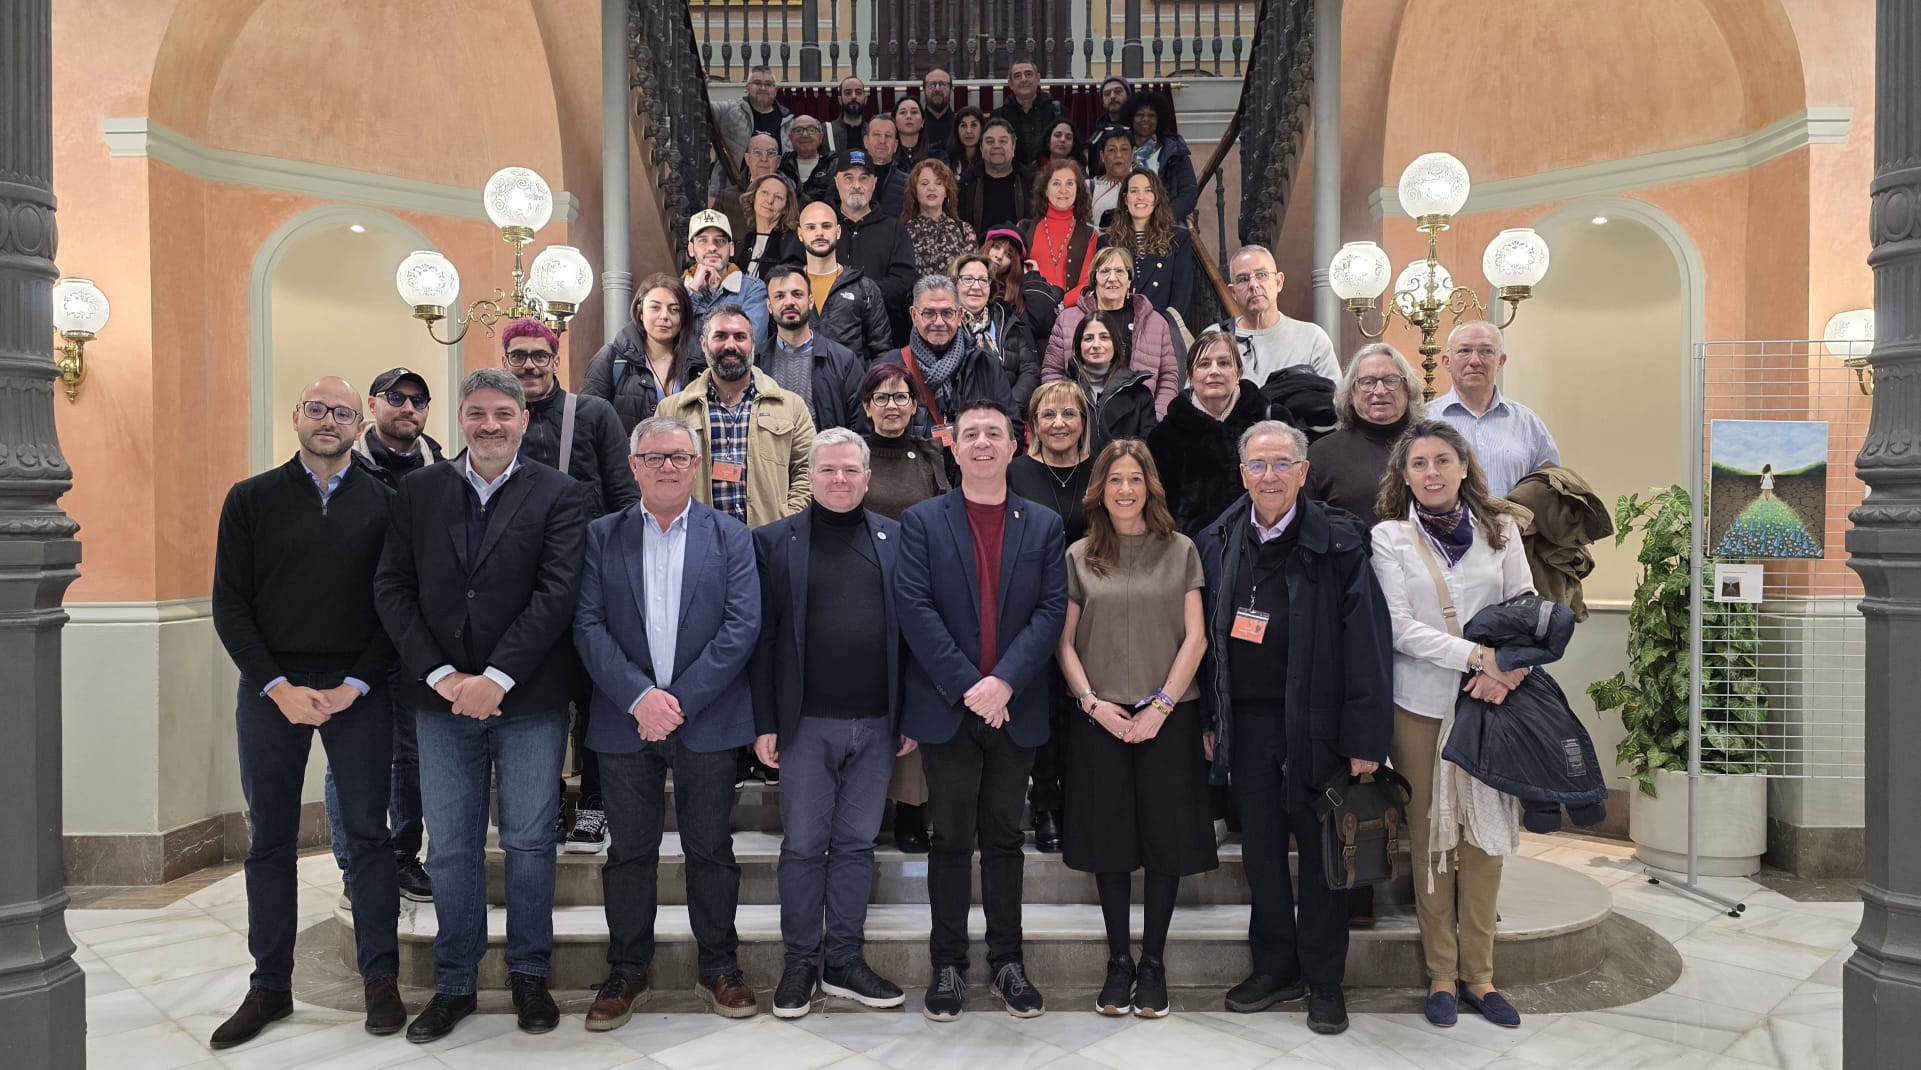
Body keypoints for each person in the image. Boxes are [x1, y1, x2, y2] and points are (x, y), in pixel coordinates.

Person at [373, 368, 588, 1043]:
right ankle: (455, 982)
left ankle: (529, 974)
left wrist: (496, 677)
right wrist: (443, 676)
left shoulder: (561, 493)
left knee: (529, 842)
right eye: (476, 413)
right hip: (439, 702)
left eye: (502, 413)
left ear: (523, 420)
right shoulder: (419, 491)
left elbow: (557, 593)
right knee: (451, 847)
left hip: (530, 700)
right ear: (460, 419)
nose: (489, 425)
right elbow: (392, 588)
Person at [210, 377, 403, 1049]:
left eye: (342, 412)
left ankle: (381, 979)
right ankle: (270, 985)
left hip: (358, 691)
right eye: (317, 409)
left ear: (359, 426)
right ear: (296, 416)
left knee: (369, 836)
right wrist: (276, 685)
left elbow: (394, 604)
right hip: (272, 691)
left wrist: (355, 684)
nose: (329, 420)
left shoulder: (386, 504)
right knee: (270, 838)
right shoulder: (250, 499)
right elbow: (230, 604)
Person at [1196, 420, 1394, 1036]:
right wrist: (1211, 718)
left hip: (1319, 728)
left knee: (1322, 859)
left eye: (1283, 463)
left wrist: (1366, 739)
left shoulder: (1340, 541)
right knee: (1260, 855)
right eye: (1258, 465)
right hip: (1249, 728)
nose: (1270, 475)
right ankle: (1275, 968)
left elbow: (1368, 644)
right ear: (1242, 474)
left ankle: (1324, 980)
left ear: (1305, 472)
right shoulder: (1217, 539)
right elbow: (1203, 644)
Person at [574, 414, 763, 1029]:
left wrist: (677, 701)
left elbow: (742, 626)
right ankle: (627, 970)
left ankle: (721, 967)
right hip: (624, 721)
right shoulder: (600, 536)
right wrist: (640, 699)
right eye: (654, 457)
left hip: (707, 720)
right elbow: (587, 625)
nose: (667, 467)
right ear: (633, 466)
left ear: (696, 465)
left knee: (712, 849)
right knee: (629, 853)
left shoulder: (730, 536)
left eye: (679, 456)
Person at [896, 400, 1069, 1021]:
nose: (982, 443)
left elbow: (1051, 610)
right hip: (949, 707)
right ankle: (947, 964)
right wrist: (972, 686)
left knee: (1004, 840)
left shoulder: (1043, 524)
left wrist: (1004, 684)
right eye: (970, 433)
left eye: (994, 433)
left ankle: (1006, 963)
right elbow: (915, 607)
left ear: (1015, 445)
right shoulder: (922, 521)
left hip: (1015, 710)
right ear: (953, 446)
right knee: (949, 840)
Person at [1369, 419, 1535, 1031]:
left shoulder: (1502, 529)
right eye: (1419, 463)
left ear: (1464, 467)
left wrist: (1506, 673)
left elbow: (1525, 608)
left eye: (1443, 460)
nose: (1432, 472)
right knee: (1432, 837)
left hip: (1493, 704)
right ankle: (1441, 973)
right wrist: (1475, 658)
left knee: (1485, 840)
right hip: (1420, 706)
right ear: (1404, 476)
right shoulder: (1389, 537)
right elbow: (1397, 627)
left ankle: (1481, 976)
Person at [752, 428, 915, 1018]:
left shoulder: (897, 539)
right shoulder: (774, 542)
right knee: (802, 846)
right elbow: (763, 640)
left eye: (850, 470)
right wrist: (765, 721)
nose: (840, 479)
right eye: (828, 470)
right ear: (810, 477)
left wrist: (908, 714)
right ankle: (800, 964)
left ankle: (843, 961)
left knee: (855, 846)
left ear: (868, 478)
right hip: (804, 725)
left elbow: (912, 635)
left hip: (877, 724)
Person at [1054, 440, 1213, 1018]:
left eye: (1135, 479)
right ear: (1101, 489)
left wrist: (1161, 707)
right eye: (1115, 480)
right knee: (1110, 843)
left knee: (1166, 840)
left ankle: (1153, 963)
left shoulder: (1182, 549)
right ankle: (1119, 962)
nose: (1125, 490)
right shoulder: (1078, 555)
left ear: (1151, 487)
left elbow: (1196, 638)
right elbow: (1063, 642)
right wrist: (1091, 704)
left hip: (1167, 714)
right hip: (1099, 719)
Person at [505, 316, 637, 851]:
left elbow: (625, 497)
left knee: (594, 695)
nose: (530, 365)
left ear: (555, 359)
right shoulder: (498, 421)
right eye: (518, 356)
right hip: (519, 588)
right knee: (535, 698)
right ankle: (548, 799)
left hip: (588, 580)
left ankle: (595, 802)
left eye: (539, 355)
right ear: (506, 361)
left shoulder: (594, 414)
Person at [330, 367, 443, 907]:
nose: (407, 408)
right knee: (350, 760)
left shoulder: (442, 464)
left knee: (413, 757)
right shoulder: (342, 464)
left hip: (416, 638)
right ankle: (355, 867)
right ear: (372, 406)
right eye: (395, 397)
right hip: (353, 637)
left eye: (418, 400)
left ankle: (401, 857)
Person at [854, 364, 950, 851]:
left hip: (916, 595)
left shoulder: (930, 455)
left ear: (914, 406)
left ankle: (912, 811)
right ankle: (867, 810)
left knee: (912, 702)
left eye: (900, 397)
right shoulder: (852, 454)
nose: (891, 406)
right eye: (881, 398)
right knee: (868, 704)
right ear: (866, 407)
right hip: (859, 596)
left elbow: (945, 521)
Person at [1005, 379, 1093, 855]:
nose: (1059, 423)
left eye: (1069, 413)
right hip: (1033, 607)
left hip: (1093, 607)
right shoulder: (1015, 473)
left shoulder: (1101, 470)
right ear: (1033, 425)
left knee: (1082, 705)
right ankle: (1045, 805)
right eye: (1049, 415)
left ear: (1084, 421)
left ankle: (1082, 800)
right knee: (1043, 707)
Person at [656, 305, 815, 529]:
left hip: (767, 540)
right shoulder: (671, 410)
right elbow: (657, 475)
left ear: (753, 344)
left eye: (740, 337)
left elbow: (809, 470)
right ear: (703, 344)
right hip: (698, 539)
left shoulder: (791, 406)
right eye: (720, 336)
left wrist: (785, 522)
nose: (730, 345)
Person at [1149, 332, 1270, 538]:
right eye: (1204, 364)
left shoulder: (1269, 424)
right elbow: (1156, 510)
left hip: (1262, 547)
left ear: (1238, 372)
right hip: (1193, 551)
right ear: (1190, 375)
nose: (1214, 371)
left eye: (1224, 363)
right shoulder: (1164, 437)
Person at [880, 275, 1020, 450]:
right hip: (911, 465)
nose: (939, 322)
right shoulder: (890, 367)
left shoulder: (985, 363)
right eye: (929, 313)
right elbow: (872, 433)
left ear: (959, 315)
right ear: (914, 316)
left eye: (947, 313)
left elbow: (1012, 430)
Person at [1043, 247, 1181, 417]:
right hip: (1082, 420)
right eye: (1105, 271)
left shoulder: (1156, 323)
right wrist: (1066, 414)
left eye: (1120, 271)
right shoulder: (1067, 320)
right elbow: (1052, 371)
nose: (1112, 278)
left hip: (1140, 420)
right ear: (1094, 279)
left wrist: (1156, 418)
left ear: (1129, 280)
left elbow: (1168, 377)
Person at [1428, 321, 1560, 498]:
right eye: (1464, 351)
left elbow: (1551, 487)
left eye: (1486, 351)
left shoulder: (1527, 424)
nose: (1475, 361)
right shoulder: (1425, 419)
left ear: (1501, 361)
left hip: (1514, 517)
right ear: (1447, 362)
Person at [1307, 343, 1425, 518]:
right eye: (1368, 382)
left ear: (1408, 389)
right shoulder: (1322, 455)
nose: (1380, 391)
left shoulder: (1433, 446)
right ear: (1351, 393)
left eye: (1391, 380)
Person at [583, 274, 706, 438]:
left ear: (683, 317)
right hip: (627, 454)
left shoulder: (700, 364)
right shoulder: (611, 358)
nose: (664, 316)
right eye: (655, 307)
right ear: (640, 312)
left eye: (674, 309)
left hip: (685, 454)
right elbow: (587, 424)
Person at [762, 263, 865, 432]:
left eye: (797, 294)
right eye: (779, 296)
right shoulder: (756, 362)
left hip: (829, 449)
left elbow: (861, 425)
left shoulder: (843, 361)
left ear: (810, 301)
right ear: (769, 306)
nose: (789, 302)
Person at [834, 151, 919, 345]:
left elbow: (903, 280)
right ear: (836, 182)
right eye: (848, 178)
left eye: (864, 178)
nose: (857, 185)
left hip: (883, 337)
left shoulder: (894, 229)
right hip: (829, 336)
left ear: (874, 183)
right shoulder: (822, 226)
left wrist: (861, 296)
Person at [1223, 245, 1339, 385]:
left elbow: (1335, 396)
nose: (1253, 285)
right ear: (1233, 293)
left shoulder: (1312, 339)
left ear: (1278, 282)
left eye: (1262, 275)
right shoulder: (1215, 338)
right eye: (1243, 279)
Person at [796, 201, 893, 363]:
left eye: (826, 226)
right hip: (798, 378)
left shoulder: (864, 287)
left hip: (852, 379)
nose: (819, 233)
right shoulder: (789, 288)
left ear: (838, 231)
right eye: (811, 227)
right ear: (800, 234)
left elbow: (882, 352)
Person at [952, 251, 1040, 413]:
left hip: (1008, 415)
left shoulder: (1006, 317)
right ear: (954, 284)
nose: (976, 287)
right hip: (962, 416)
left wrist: (1007, 409)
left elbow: (1029, 370)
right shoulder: (945, 323)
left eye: (983, 280)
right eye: (968, 279)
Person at [1063, 311, 1157, 454]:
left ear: (1115, 344)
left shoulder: (1139, 394)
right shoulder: (1063, 392)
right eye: (1088, 338)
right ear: (1078, 346)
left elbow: (1147, 452)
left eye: (1104, 337)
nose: (1096, 345)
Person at [1104, 168, 1193, 315]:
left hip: (1161, 324)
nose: (1141, 197)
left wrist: (1162, 325)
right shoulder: (1107, 242)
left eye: (1148, 191)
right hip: (1119, 324)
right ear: (1125, 199)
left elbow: (1181, 295)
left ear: (1156, 198)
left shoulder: (1178, 239)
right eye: (1134, 191)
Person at [684, 209, 772, 342]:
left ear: (731, 248)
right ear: (691, 249)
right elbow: (673, 339)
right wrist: (693, 290)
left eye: (719, 240)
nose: (712, 247)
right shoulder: (676, 291)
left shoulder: (753, 289)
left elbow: (751, 342)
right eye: (703, 240)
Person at [1023, 158, 1098, 308]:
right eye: (1056, 183)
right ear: (1045, 190)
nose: (1063, 190)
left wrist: (1060, 305)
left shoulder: (1089, 234)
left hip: (1069, 311)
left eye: (1070, 183)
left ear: (1077, 190)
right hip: (1029, 308)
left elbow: (1087, 281)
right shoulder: (1025, 228)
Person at [1122, 90, 1198, 221]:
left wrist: (1163, 217)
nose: (1146, 119)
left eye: (1152, 115)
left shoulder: (1175, 152)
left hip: (1166, 224)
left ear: (1159, 119)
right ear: (1131, 117)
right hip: (1125, 223)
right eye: (1140, 114)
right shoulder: (1120, 151)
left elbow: (1188, 193)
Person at [982, 227, 1064, 341]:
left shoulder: (1014, 296)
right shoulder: (963, 277)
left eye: (1008, 255)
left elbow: (1040, 326)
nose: (999, 256)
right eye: (996, 247)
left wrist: (1034, 279)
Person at [713, 66, 793, 180]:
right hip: (730, 186)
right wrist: (701, 81)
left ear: (775, 90)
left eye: (768, 84)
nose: (763, 88)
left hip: (773, 187)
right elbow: (703, 107)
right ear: (747, 88)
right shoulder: (729, 111)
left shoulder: (788, 121)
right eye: (757, 83)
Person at [905, 159, 979, 279]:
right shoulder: (902, 231)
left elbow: (971, 276)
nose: (931, 188)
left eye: (938, 183)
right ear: (915, 191)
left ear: (946, 192)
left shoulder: (964, 231)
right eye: (924, 183)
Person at [957, 119, 1030, 235]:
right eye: (990, 141)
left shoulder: (1029, 181)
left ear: (1013, 147)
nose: (996, 146)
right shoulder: (967, 183)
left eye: (1003, 141)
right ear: (981, 148)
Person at [992, 59, 1067, 166]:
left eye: (1028, 74)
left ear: (1038, 79)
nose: (1024, 79)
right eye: (1018, 76)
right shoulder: (999, 117)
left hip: (1051, 173)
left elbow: (1072, 150)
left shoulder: (1057, 111)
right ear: (1011, 84)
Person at [732, 173, 800, 280]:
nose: (770, 200)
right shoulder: (744, 241)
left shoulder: (791, 243)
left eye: (778, 197)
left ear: (786, 208)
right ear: (753, 197)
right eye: (765, 192)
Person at [781, 114, 838, 206]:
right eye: (798, 130)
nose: (805, 135)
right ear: (790, 138)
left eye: (811, 130)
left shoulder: (834, 166)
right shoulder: (781, 166)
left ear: (820, 137)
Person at [860, 115, 911, 217]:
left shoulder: (908, 183)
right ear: (866, 141)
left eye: (888, 135)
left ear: (895, 145)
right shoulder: (848, 178)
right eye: (877, 134)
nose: (882, 141)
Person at [1087, 127, 1136, 229]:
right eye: (1111, 150)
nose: (1118, 155)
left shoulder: (1145, 188)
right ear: (1102, 156)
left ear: (1132, 154)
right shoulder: (1087, 187)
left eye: (1124, 149)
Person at [920, 69, 958, 159]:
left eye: (942, 84)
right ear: (923, 90)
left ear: (951, 90)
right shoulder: (915, 125)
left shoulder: (959, 125)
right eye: (931, 85)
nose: (937, 89)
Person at [827, 75, 870, 156]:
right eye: (848, 93)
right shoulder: (827, 132)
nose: (853, 96)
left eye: (858, 93)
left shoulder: (872, 132)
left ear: (865, 99)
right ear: (840, 100)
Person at [893, 97, 937, 166]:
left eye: (914, 112)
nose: (908, 116)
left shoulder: (937, 155)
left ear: (922, 122)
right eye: (902, 112)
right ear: (894, 121)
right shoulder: (888, 154)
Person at [945, 105, 986, 178]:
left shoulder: (989, 160)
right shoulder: (946, 161)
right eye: (963, 125)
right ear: (957, 130)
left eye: (974, 125)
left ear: (982, 128)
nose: (968, 131)